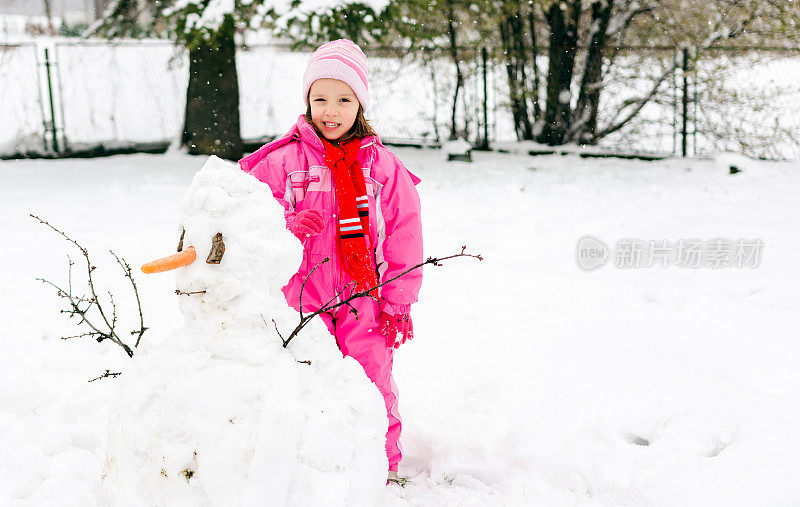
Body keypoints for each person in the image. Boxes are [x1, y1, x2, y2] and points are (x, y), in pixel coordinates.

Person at [238, 39, 423, 484]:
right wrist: (285, 223)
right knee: (305, 378)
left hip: (364, 296)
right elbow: (246, 216)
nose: (330, 110)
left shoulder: (381, 166)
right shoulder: (282, 162)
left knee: (371, 375)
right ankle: (310, 464)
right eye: (319, 98)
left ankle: (382, 464)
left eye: (343, 99)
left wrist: (397, 299)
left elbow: (404, 233)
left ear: (360, 104)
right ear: (307, 101)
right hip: (299, 297)